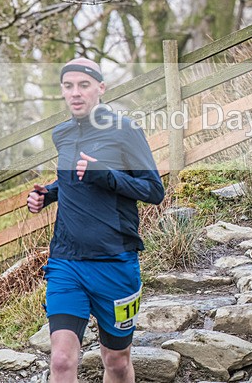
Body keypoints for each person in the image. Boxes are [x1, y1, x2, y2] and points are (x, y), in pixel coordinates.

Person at [27, 58, 165, 383]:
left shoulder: (125, 130)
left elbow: (154, 190)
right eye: (68, 86)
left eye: (84, 85)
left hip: (115, 263)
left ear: (101, 88)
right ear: (62, 91)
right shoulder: (61, 134)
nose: (75, 92)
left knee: (116, 362)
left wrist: (107, 175)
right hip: (66, 262)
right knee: (61, 360)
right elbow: (72, 179)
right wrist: (48, 194)